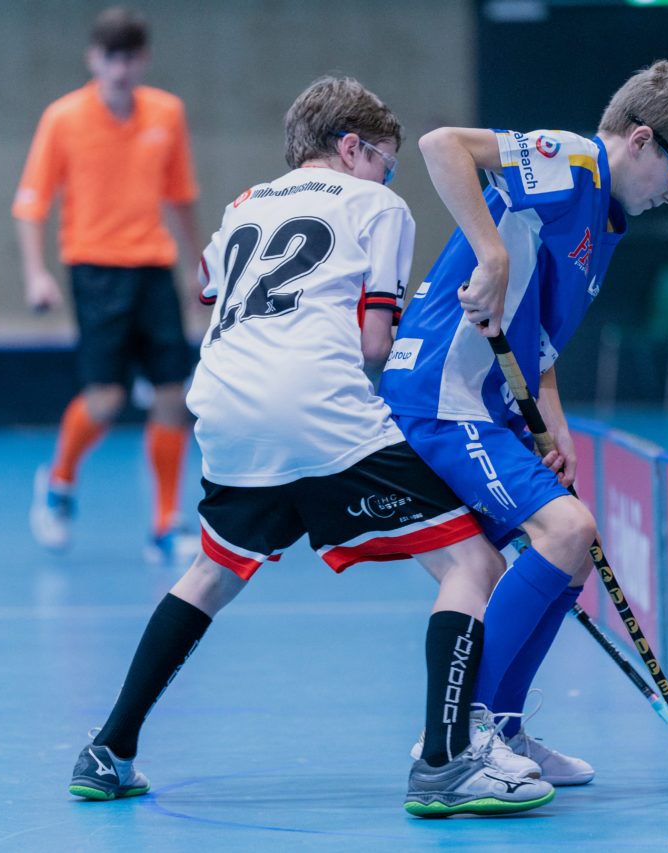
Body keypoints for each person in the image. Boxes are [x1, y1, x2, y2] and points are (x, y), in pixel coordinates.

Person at [66, 75, 555, 818]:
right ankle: (447, 758)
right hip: (320, 411)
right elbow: (373, 341)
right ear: (350, 147)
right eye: (385, 162)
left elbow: (213, 290)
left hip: (226, 410)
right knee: (472, 561)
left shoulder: (240, 209)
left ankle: (108, 748)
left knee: (212, 571)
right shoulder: (377, 206)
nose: (390, 178)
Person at [380, 58, 668, 783]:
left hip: (489, 406)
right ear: (641, 140)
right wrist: (487, 251)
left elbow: (537, 338)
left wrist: (556, 426)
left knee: (573, 542)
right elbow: (442, 145)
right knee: (567, 530)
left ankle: (504, 728)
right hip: (441, 396)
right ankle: (459, 734)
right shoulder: (572, 162)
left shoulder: (605, 226)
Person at [13, 7, 204, 563]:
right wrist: (35, 273)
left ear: (141, 60)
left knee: (172, 396)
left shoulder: (167, 114)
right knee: (106, 398)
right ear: (94, 59)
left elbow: (180, 195)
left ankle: (165, 523)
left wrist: (198, 264)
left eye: (129, 58)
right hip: (94, 271)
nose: (119, 69)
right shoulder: (63, 118)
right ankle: (59, 480)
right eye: (109, 57)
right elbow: (31, 202)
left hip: (153, 268)